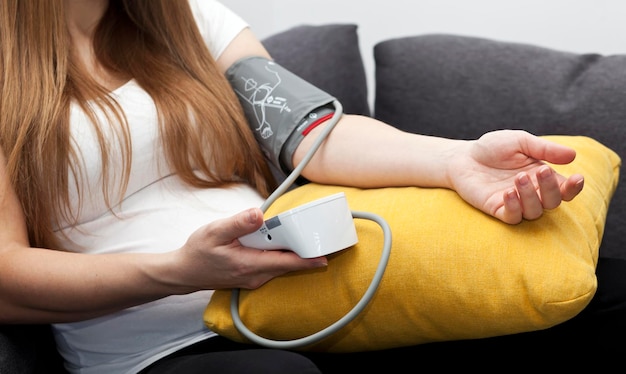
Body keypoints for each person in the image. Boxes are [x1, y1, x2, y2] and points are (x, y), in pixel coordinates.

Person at [0, 0, 618, 373]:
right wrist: (183, 271)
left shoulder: (189, 20)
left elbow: (311, 133)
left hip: (309, 302)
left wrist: (457, 160)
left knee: (604, 294)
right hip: (160, 349)